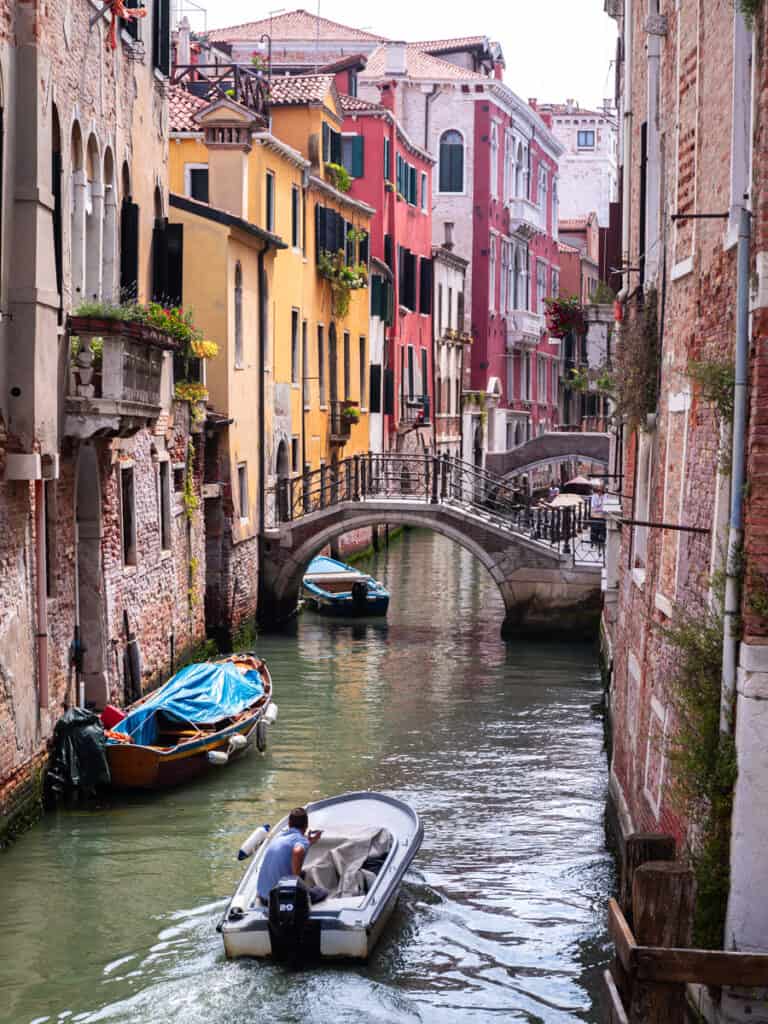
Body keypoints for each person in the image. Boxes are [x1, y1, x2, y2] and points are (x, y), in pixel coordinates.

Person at [257, 806, 327, 906]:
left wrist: (309, 841)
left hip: (263, 896)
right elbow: (297, 851)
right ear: (306, 825)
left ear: (289, 824)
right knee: (321, 892)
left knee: (302, 873)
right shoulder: (301, 841)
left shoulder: (279, 837)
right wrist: (296, 880)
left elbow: (295, 847)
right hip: (278, 900)